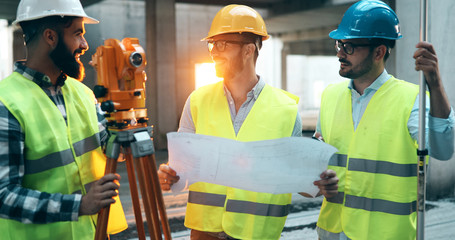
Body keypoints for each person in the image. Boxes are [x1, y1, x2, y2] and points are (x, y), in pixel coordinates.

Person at [158, 4, 338, 240]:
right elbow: (182, 170)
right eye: (212, 45)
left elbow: (301, 182)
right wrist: (170, 176)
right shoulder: (197, 101)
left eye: (222, 45)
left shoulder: (285, 110)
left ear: (248, 50)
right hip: (204, 233)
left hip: (256, 234)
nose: (213, 52)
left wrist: (320, 183)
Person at [314, 0, 454, 239]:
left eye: (349, 47)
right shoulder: (329, 96)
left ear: (378, 52)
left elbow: (442, 150)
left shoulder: (412, 99)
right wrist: (317, 182)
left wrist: (436, 83)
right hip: (333, 232)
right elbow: (317, 164)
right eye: (339, 44)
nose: (340, 53)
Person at [0, 0, 127, 239]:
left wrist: (124, 111)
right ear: (50, 36)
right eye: (77, 34)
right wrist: (79, 205)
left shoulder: (83, 93)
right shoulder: (6, 103)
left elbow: (114, 149)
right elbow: (4, 195)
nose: (84, 45)